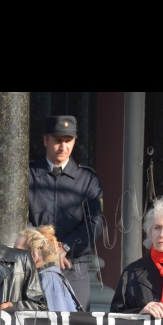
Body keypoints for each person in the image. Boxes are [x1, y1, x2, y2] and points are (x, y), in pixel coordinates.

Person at [29, 115, 104, 312]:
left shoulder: (87, 179)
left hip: (73, 266)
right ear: (46, 140)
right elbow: (19, 218)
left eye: (68, 141)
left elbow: (94, 224)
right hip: (34, 263)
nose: (63, 147)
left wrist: (65, 247)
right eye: (58, 141)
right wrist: (47, 249)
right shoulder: (27, 174)